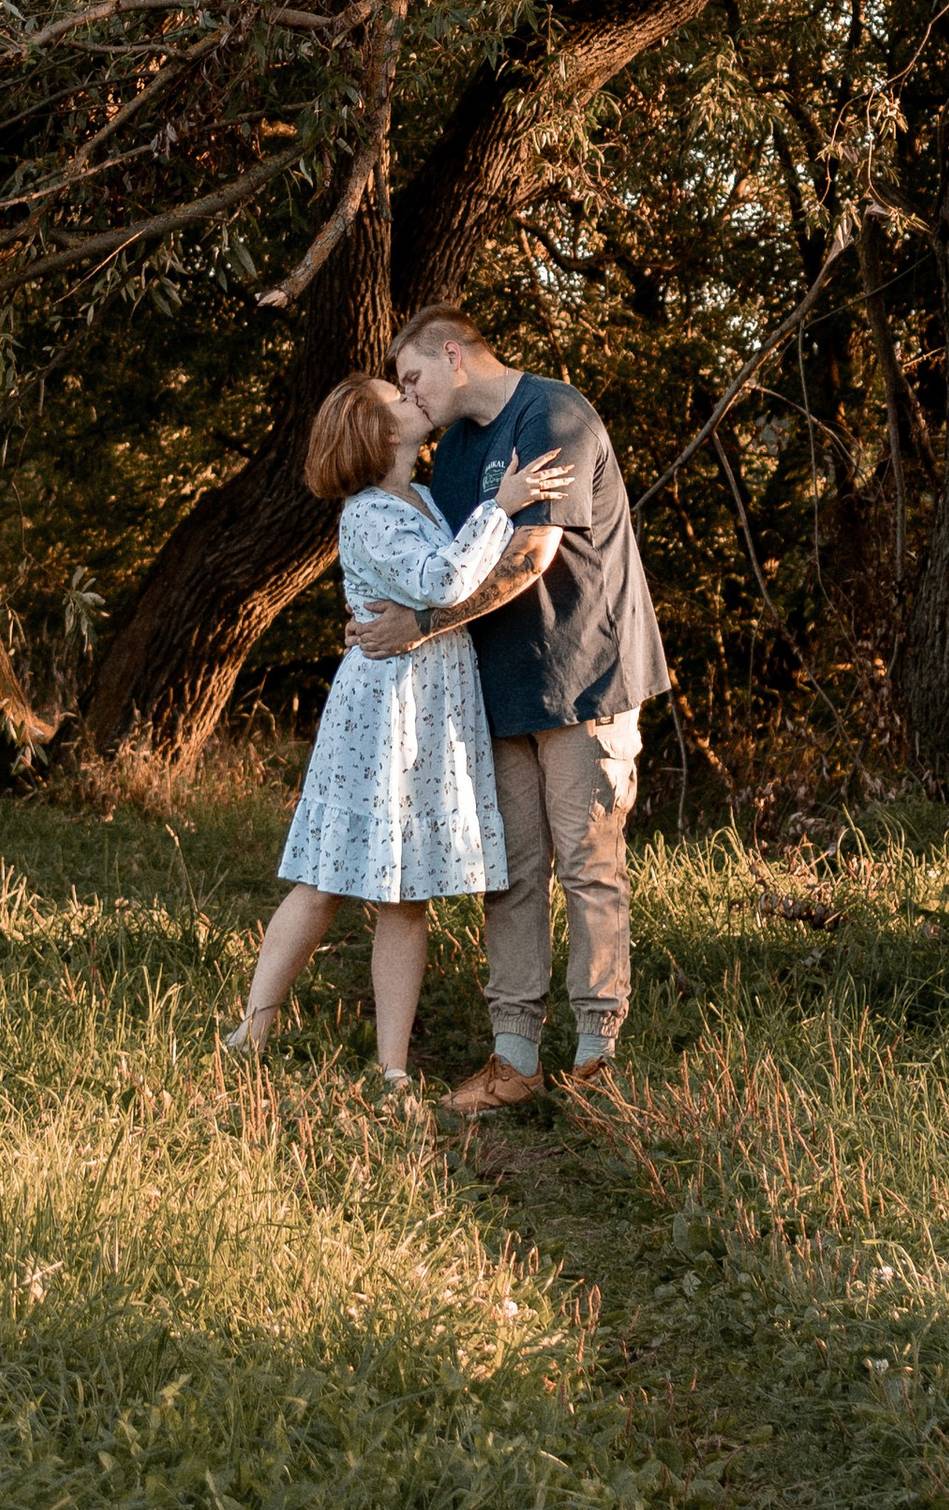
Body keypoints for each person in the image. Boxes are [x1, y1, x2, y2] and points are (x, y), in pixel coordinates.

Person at [349, 305, 669, 1118]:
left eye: (414, 378)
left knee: (587, 865)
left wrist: (415, 628)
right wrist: (374, 611)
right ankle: (514, 1057)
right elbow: (436, 562)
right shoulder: (452, 454)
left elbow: (529, 557)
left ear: (453, 356)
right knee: (512, 873)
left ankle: (599, 1055)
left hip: (582, 679)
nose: (409, 397)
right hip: (498, 687)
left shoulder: (553, 415)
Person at [226, 369, 572, 1095]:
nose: (415, 399)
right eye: (398, 399)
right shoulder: (366, 514)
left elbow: (450, 586)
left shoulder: (417, 495)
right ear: (380, 434)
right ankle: (251, 1030)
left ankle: (392, 1068)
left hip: (428, 708)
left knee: (402, 893)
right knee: (325, 878)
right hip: (381, 715)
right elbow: (446, 582)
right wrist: (501, 509)